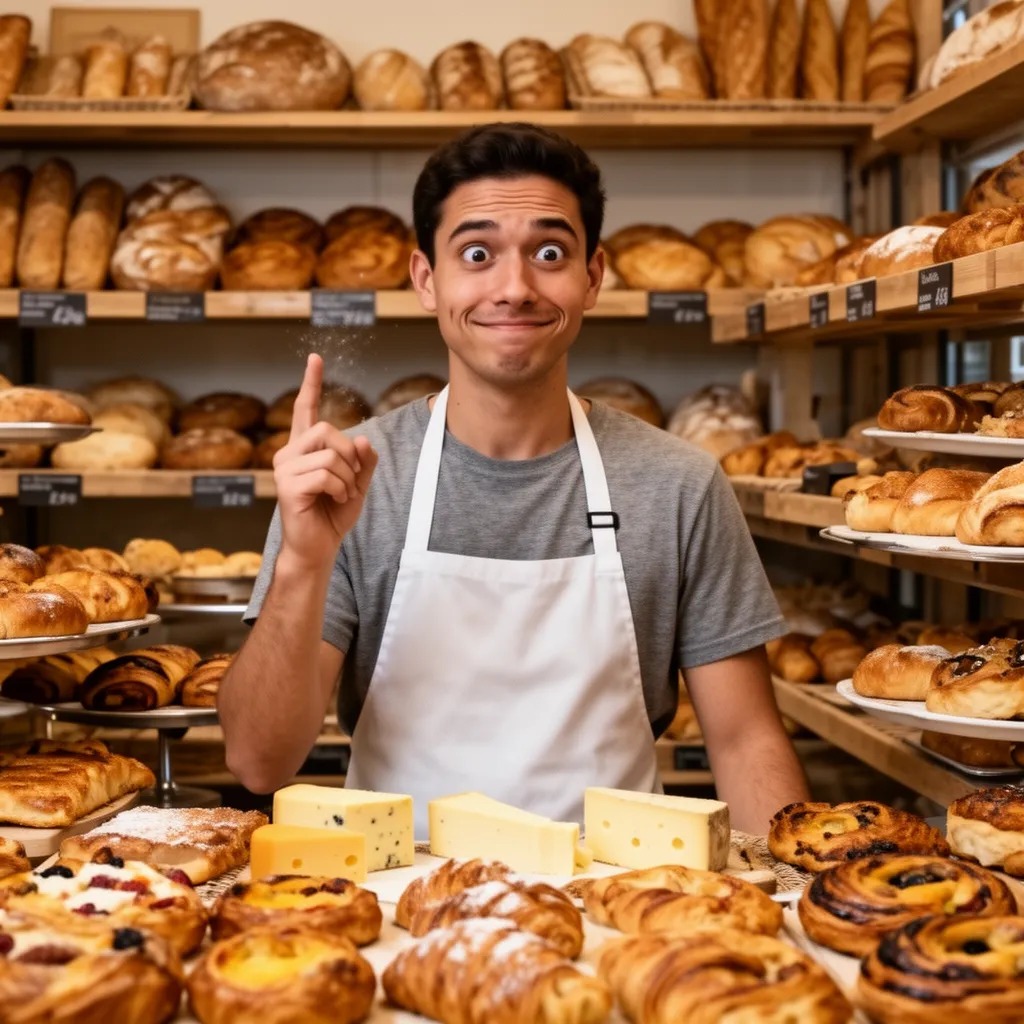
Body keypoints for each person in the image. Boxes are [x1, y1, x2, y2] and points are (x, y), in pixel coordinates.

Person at [220, 122, 810, 836]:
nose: (514, 288)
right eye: (477, 254)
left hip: (617, 893)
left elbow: (744, 742)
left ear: (593, 277)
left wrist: (792, 883)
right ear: (426, 280)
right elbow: (259, 762)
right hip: (399, 890)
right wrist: (302, 564)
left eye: (549, 253)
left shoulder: (678, 484)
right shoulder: (351, 479)